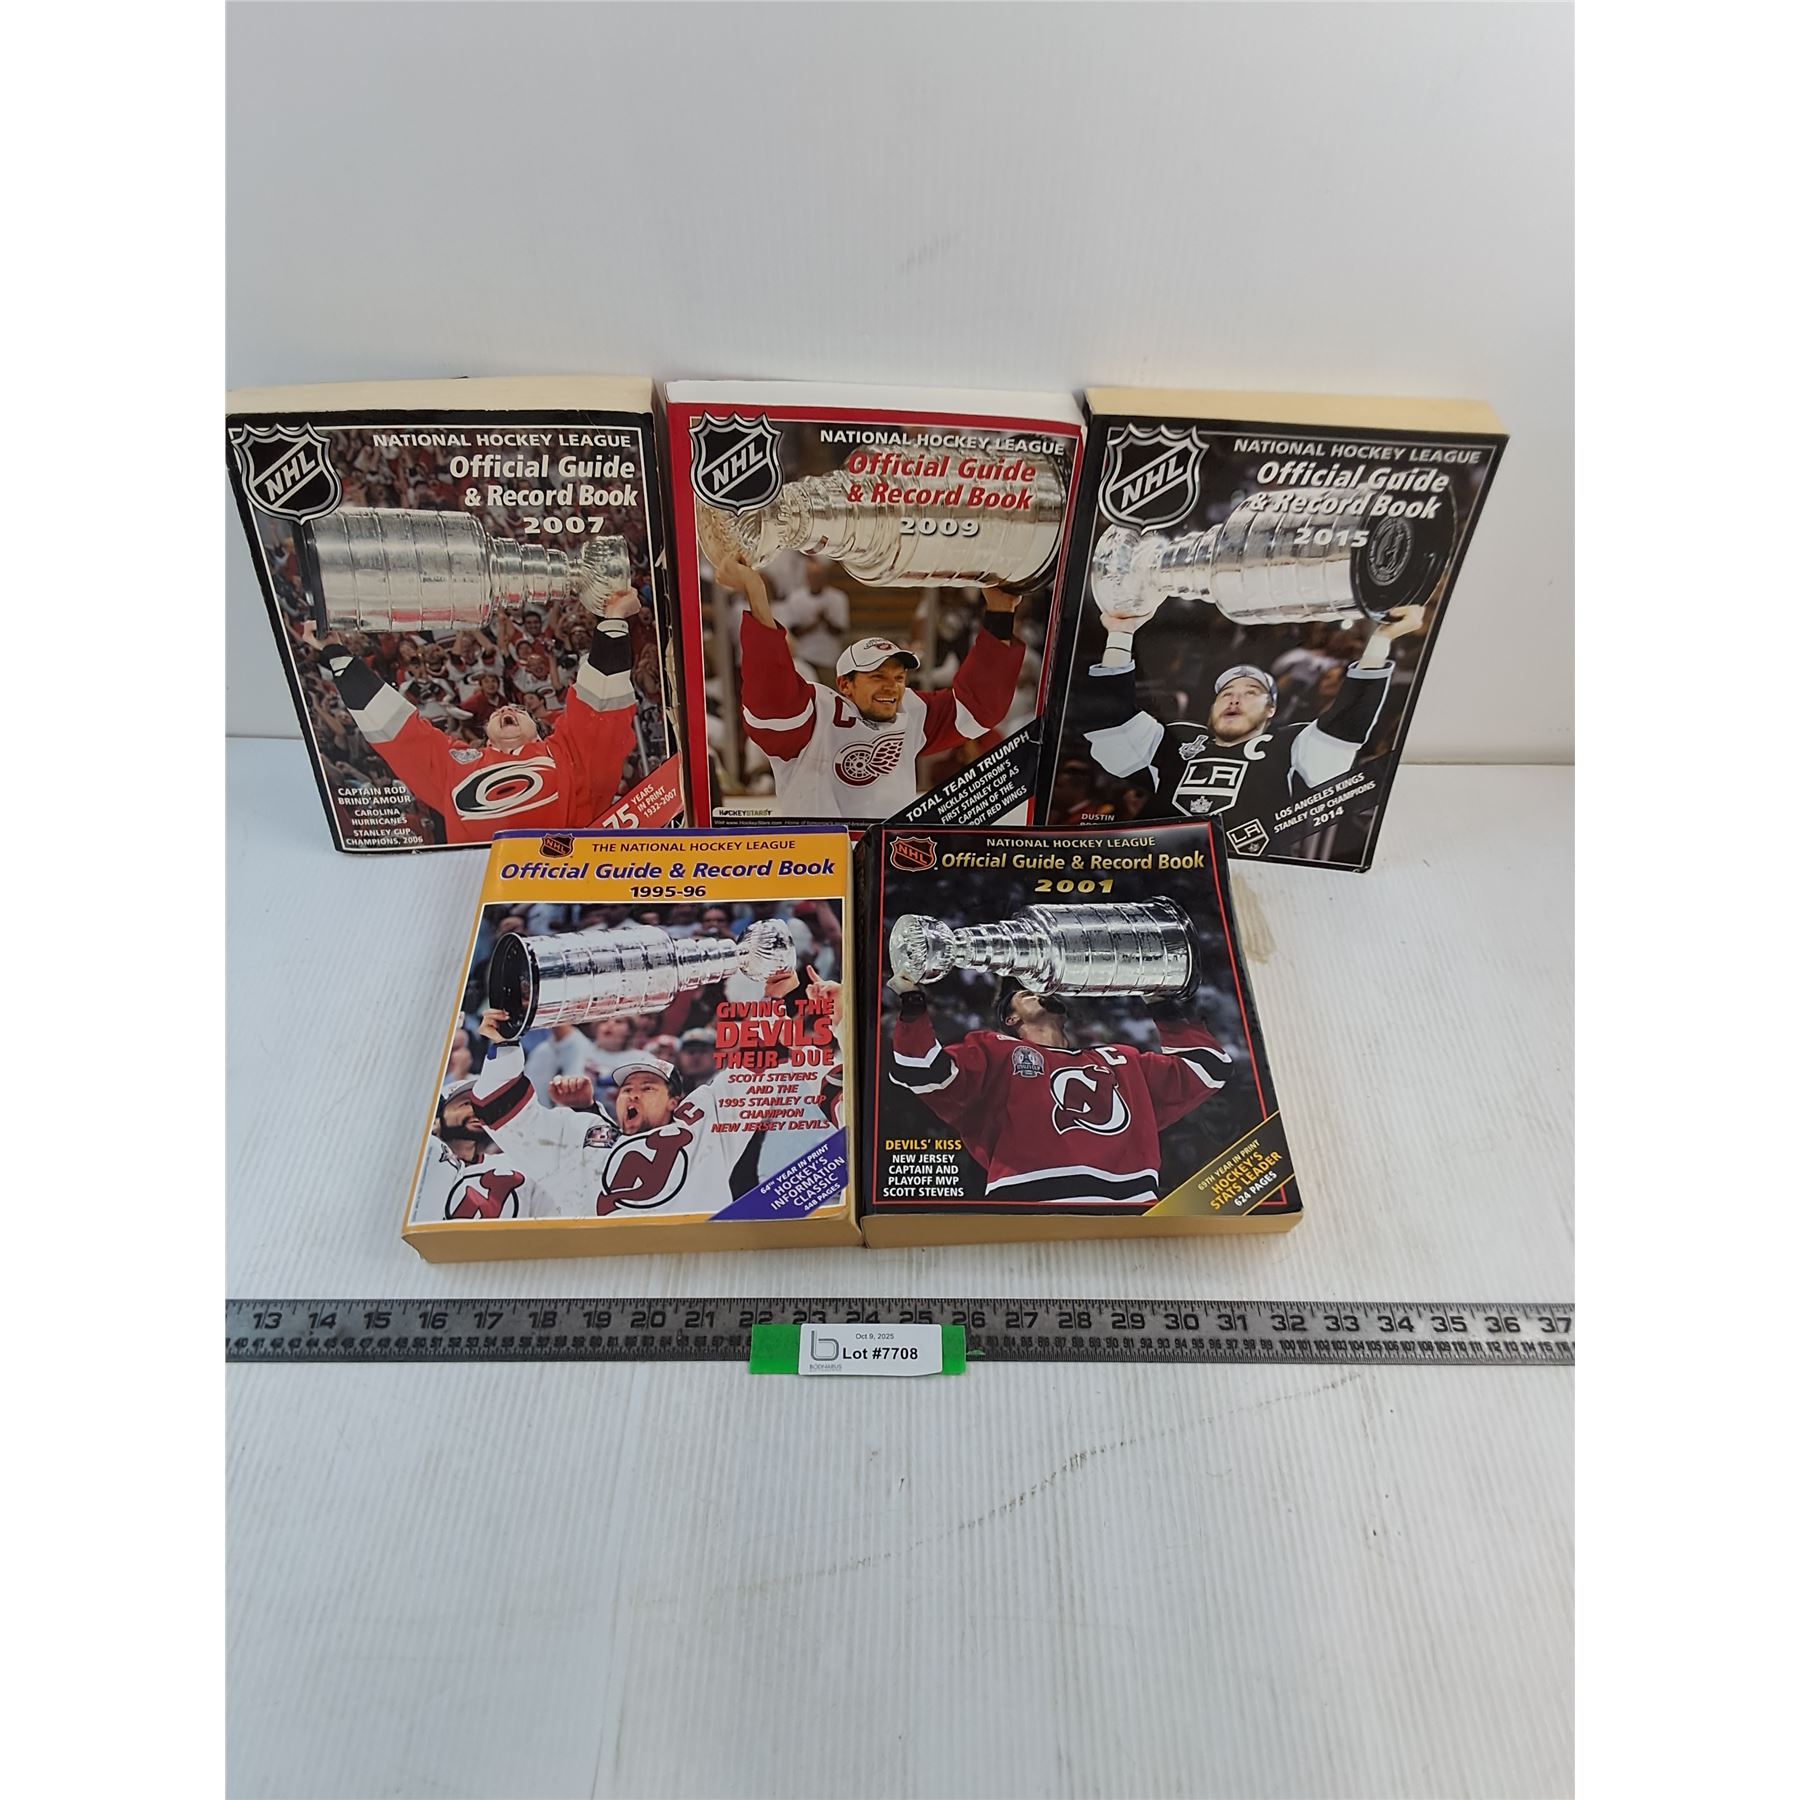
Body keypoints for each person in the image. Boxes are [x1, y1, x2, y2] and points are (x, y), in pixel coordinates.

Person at [300, 582, 642, 842]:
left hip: (564, 878)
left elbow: (600, 708)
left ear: (540, 732)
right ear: (485, 737)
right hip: (479, 883)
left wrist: (613, 620)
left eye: (518, 710)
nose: (505, 708)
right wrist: (335, 652)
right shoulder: (456, 765)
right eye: (499, 712)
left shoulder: (565, 753)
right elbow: (398, 730)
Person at [714, 554, 1025, 821]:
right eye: (877, 676)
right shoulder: (818, 715)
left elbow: (977, 707)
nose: (891, 687)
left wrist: (1000, 613)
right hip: (822, 863)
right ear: (845, 685)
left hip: (889, 859)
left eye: (899, 678)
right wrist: (755, 592)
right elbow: (770, 700)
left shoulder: (910, 711)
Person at [1077, 599, 1428, 835]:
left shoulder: (1291, 745)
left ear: (1271, 709)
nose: (1234, 698)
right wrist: (1120, 633)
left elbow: (1345, 723)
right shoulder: (1178, 738)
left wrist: (1381, 640)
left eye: (1251, 692)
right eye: (1226, 693)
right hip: (1160, 867)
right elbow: (1112, 723)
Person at [886, 973, 1232, 1210]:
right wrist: (913, 1004)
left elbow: (1209, 1067)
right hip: (1031, 1212)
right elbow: (919, 1069)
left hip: (1132, 1212)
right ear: (1010, 1018)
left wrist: (1159, 1001)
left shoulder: (1122, 1059)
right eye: (1023, 990)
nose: (1036, 988)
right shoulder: (995, 1049)